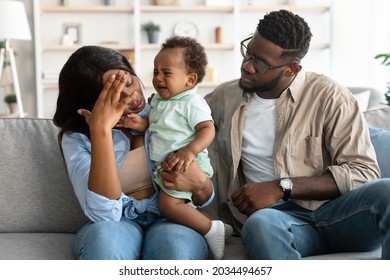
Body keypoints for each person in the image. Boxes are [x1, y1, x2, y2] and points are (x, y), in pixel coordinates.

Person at [205, 9, 390, 259]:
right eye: (248, 51)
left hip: (339, 215)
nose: (247, 66)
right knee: (260, 224)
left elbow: (363, 172)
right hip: (277, 221)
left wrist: (282, 187)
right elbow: (182, 117)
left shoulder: (331, 97)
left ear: (292, 69)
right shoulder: (224, 97)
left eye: (260, 63)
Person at [53, 45, 215, 260]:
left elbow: (203, 199)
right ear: (92, 103)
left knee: (175, 250)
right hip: (118, 222)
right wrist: (100, 130)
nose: (132, 95)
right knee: (106, 245)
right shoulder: (77, 139)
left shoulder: (164, 112)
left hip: (170, 216)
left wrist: (201, 184)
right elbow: (104, 214)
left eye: (129, 82)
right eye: (116, 93)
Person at [121, 36, 229, 260]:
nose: (158, 78)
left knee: (169, 206)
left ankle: (211, 229)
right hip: (168, 165)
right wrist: (140, 124)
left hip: (187, 163)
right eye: (155, 72)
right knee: (169, 203)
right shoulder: (159, 101)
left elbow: (208, 129)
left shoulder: (192, 103)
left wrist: (189, 152)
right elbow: (156, 124)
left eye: (166, 73)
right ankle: (209, 225)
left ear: (190, 80)